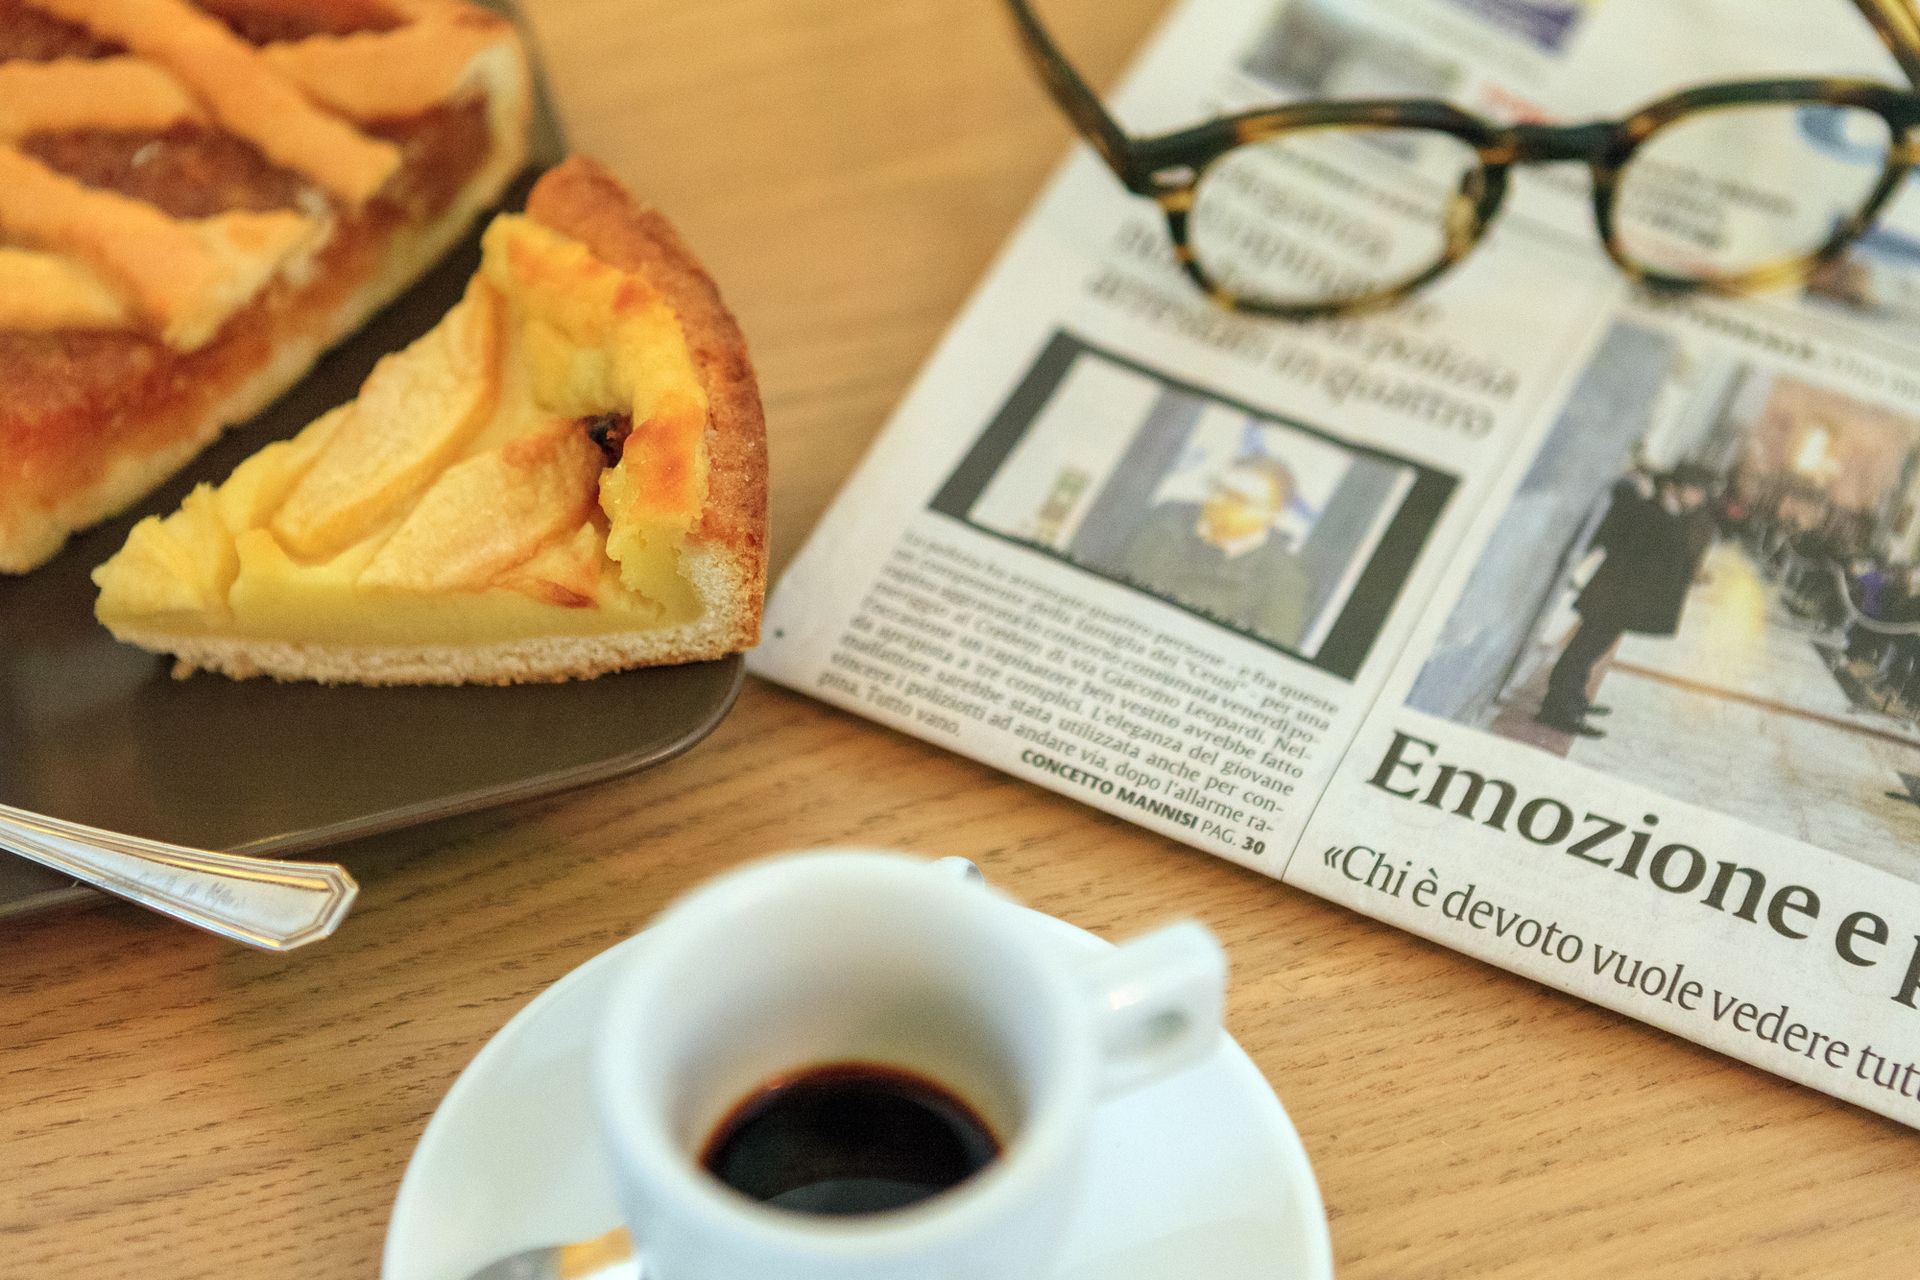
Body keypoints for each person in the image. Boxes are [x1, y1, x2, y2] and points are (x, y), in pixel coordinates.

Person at [1537, 463, 1716, 737]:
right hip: (1611, 598)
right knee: (1582, 651)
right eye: (1696, 491)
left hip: (1620, 600)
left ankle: (1572, 699)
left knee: (1590, 652)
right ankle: (1556, 709)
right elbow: (1640, 551)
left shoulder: (1667, 513)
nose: (1699, 499)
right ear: (1677, 488)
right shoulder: (1649, 511)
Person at [1118, 453, 1314, 650]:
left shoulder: (1284, 581)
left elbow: (1267, 656)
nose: (1220, 502)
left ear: (1272, 515)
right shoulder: (1167, 519)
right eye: (1219, 489)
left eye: (1239, 499)